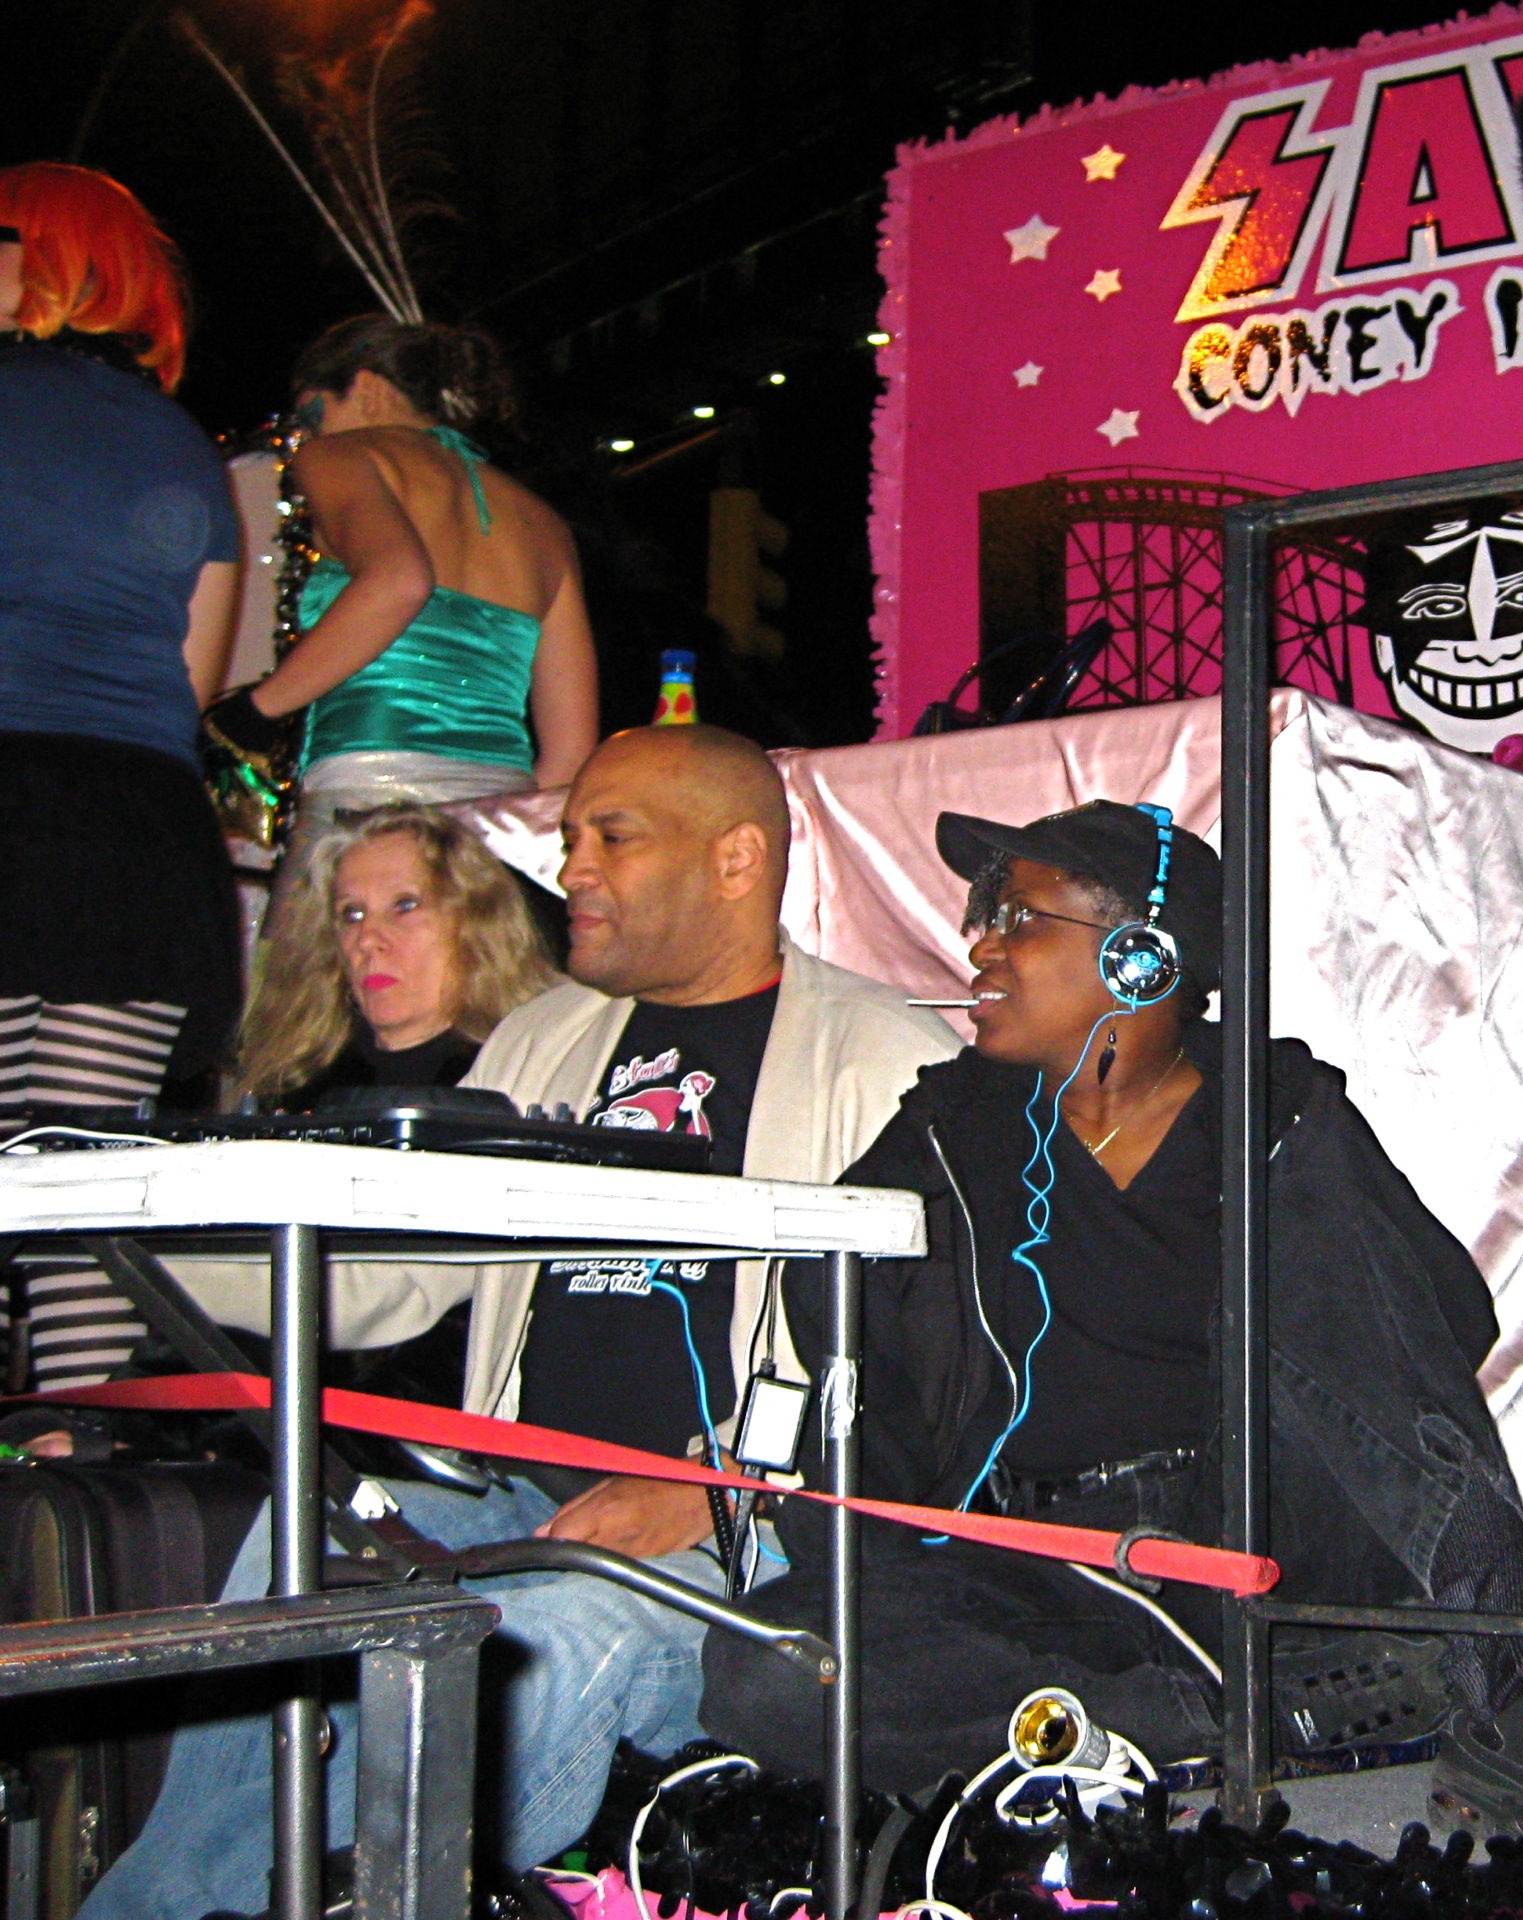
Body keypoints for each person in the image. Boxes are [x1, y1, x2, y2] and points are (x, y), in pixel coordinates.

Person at [697, 801, 1523, 1860]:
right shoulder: (949, 1124)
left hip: (1259, 1542)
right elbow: (854, 1351)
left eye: (1016, 917)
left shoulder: (1275, 1112)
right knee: (772, 1666)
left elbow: (1418, 1342)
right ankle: (1242, 1716)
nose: (978, 946)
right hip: (1044, 1564)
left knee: (1317, 1242)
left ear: (1141, 960)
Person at [82, 726, 960, 1918]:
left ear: (737, 858)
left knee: (540, 1639)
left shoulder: (886, 1057)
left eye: (612, 838)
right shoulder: (547, 1037)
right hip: (515, 1502)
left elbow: (940, 1384)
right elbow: (398, 1277)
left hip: (747, 1543)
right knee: (294, 1543)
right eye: (570, 838)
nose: (571, 870)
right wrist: (127, 1226)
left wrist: (729, 1490)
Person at [0, 163, 243, 1390]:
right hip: (137, 838)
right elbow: (193, 682)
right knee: (77, 1194)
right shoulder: (183, 449)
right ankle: (79, 1457)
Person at [202, 315, 598, 866]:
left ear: (366, 387)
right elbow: (571, 753)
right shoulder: (543, 523)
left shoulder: (343, 456)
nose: (306, 439)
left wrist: (253, 712)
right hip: (498, 829)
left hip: (369, 802)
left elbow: (398, 581)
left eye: (312, 416)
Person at [237, 800, 558, 1107]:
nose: (367, 939)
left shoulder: (527, 1077)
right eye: (352, 914)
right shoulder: (293, 1088)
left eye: (404, 906)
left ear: (475, 921)